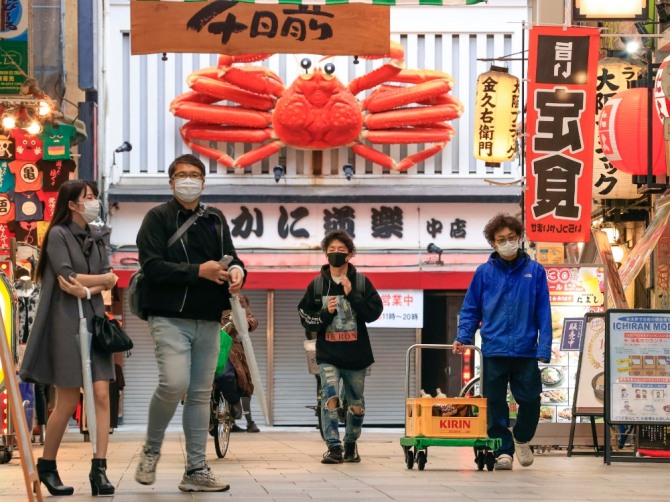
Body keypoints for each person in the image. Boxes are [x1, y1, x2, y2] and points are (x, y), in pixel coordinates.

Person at [134, 154, 245, 493]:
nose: (188, 180)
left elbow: (231, 257)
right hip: (168, 316)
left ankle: (196, 469)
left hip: (209, 318)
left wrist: (239, 271)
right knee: (174, 384)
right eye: (182, 175)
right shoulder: (157, 218)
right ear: (170, 181)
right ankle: (151, 450)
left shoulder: (214, 218)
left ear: (203, 181)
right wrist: (198, 271)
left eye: (195, 175)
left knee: (200, 393)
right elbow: (152, 266)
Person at [20, 180, 119, 496]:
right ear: (72, 204)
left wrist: (94, 285)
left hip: (95, 320)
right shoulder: (58, 235)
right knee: (67, 399)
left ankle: (99, 468)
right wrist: (102, 280)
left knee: (102, 393)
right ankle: (47, 464)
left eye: (95, 197)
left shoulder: (98, 236)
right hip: (65, 322)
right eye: (87, 198)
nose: (94, 202)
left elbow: (103, 281)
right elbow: (67, 278)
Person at [452, 213, 551, 471]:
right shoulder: (484, 273)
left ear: (519, 238)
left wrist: (544, 347)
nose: (507, 243)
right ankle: (502, 451)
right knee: (495, 404)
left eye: (511, 238)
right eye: (501, 239)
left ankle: (521, 437)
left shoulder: (535, 271)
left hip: (526, 350)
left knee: (530, 400)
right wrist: (463, 337)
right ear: (493, 244)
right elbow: (471, 309)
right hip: (493, 349)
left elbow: (543, 312)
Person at [298, 230, 383, 464]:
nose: (336, 255)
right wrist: (326, 312)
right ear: (325, 254)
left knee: (356, 404)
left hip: (357, 357)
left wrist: (352, 295)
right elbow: (305, 316)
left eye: (341, 251)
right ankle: (333, 446)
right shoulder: (316, 285)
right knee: (330, 397)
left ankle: (351, 443)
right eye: (331, 251)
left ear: (350, 254)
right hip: (328, 355)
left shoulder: (362, 282)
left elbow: (375, 313)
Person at [213, 293, 260, 433]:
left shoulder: (236, 297)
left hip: (228, 347)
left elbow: (252, 320)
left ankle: (235, 403)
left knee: (226, 375)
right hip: (202, 345)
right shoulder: (196, 292)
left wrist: (245, 323)